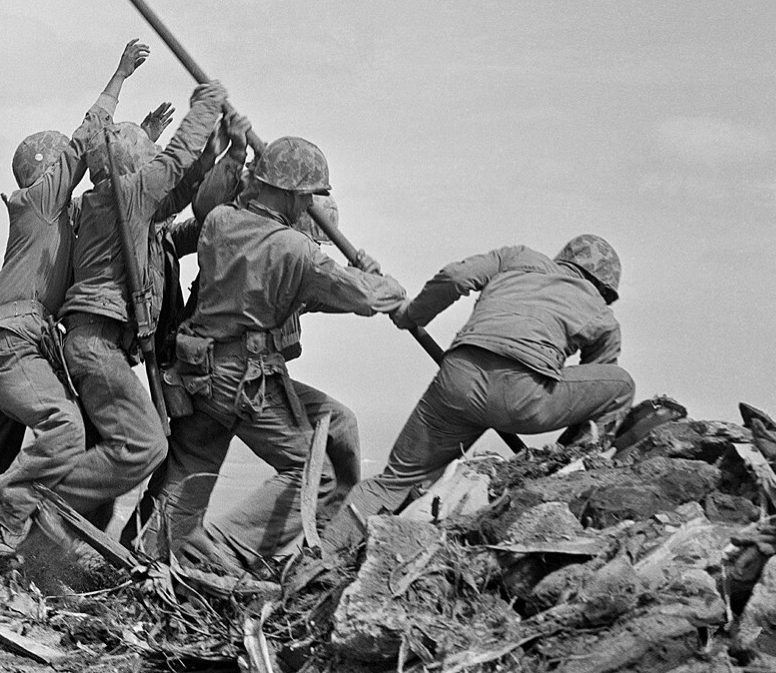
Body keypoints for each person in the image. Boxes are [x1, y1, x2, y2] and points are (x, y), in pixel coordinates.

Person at [144, 129, 407, 569]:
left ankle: (152, 554)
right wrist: (382, 282)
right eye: (307, 197)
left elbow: (306, 296)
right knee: (315, 475)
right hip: (242, 379)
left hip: (198, 370)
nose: (309, 207)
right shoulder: (295, 249)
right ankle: (221, 551)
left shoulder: (221, 223)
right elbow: (361, 296)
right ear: (290, 194)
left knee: (191, 469)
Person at [0, 98, 177, 548]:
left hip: (6, 346)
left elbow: (115, 196)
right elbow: (92, 155)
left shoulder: (64, 216)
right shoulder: (34, 207)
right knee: (65, 428)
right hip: (14, 345)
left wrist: (141, 137)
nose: (72, 171)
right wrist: (118, 80)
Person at [320, 234, 635, 557]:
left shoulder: (518, 257)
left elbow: (455, 277)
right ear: (605, 287)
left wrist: (412, 315)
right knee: (621, 384)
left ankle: (321, 556)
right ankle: (572, 472)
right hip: (524, 398)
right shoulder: (602, 316)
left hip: (457, 381)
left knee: (394, 480)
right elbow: (593, 396)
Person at [51, 76, 229, 518]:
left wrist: (221, 150)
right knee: (145, 445)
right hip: (96, 345)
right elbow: (175, 163)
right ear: (134, 167)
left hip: (101, 344)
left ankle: (59, 540)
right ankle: (43, 502)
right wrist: (206, 106)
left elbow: (182, 188)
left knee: (110, 471)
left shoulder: (116, 203)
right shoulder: (126, 196)